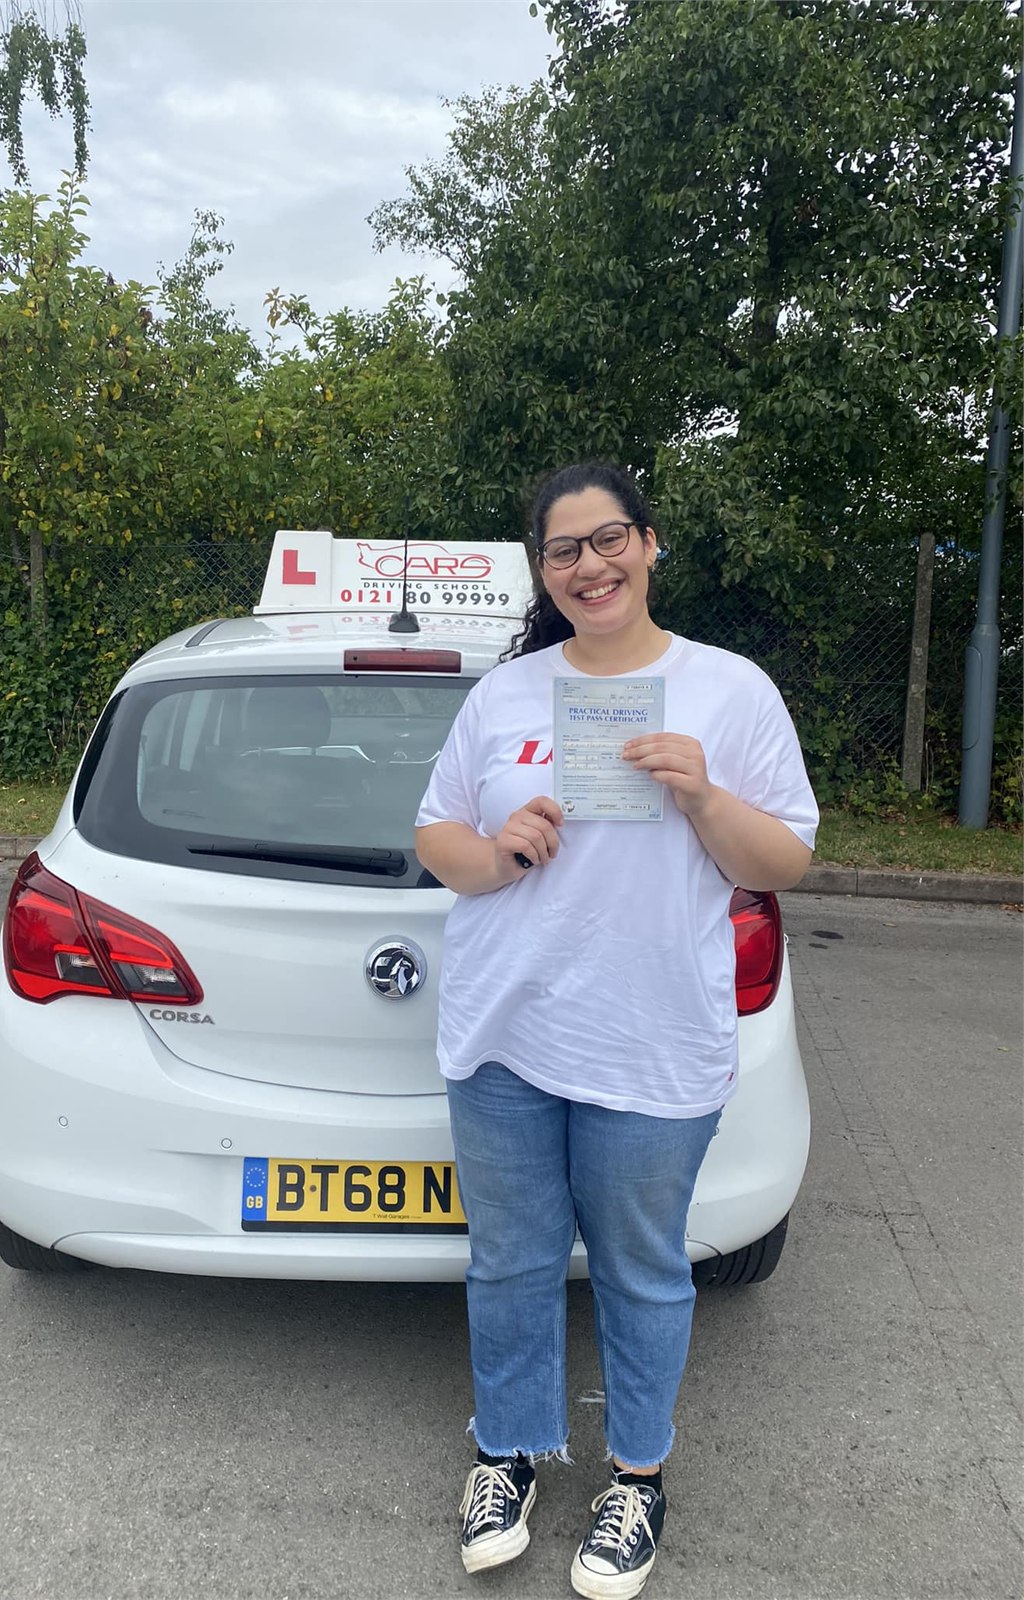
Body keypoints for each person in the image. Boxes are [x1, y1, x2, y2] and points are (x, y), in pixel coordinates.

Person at [414, 461, 818, 1599]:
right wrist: (501, 853)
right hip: (506, 1033)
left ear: (648, 544)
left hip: (651, 1043)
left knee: (642, 1269)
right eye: (562, 550)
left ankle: (637, 1478)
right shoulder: (506, 696)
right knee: (511, 1262)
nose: (588, 565)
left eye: (608, 541)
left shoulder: (728, 691)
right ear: (543, 571)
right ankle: (510, 1453)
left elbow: (782, 859)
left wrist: (701, 794)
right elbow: (434, 833)